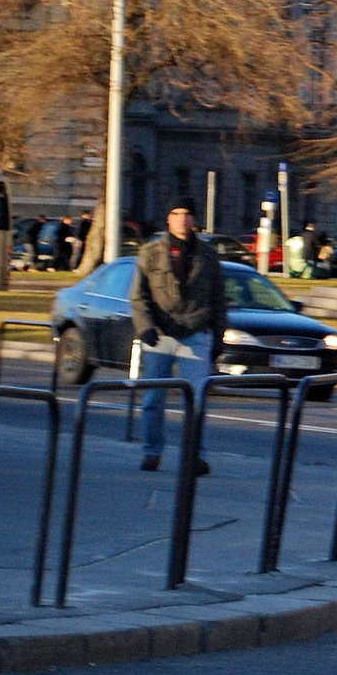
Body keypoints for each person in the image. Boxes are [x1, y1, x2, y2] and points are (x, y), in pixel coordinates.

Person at [130, 196, 226, 474]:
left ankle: (194, 455)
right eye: (176, 213)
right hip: (160, 336)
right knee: (153, 400)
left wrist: (218, 338)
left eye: (187, 213)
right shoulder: (151, 252)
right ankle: (152, 452)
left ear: (194, 219)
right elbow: (139, 296)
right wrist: (145, 327)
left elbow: (219, 300)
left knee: (196, 399)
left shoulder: (208, 255)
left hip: (196, 333)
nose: (182, 219)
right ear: (168, 219)